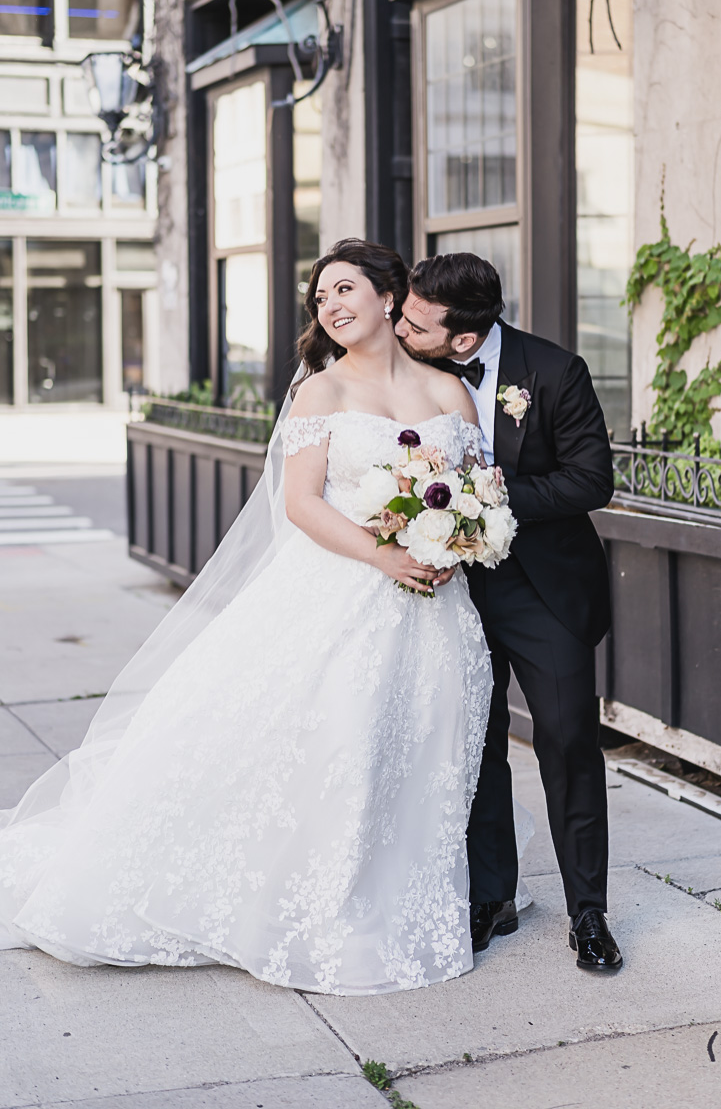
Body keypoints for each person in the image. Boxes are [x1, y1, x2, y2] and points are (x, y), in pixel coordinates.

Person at [0, 239, 495, 996]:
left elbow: (476, 491)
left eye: (343, 289)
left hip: (436, 607)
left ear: (390, 297)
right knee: (344, 743)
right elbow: (300, 505)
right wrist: (387, 556)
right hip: (347, 590)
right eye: (320, 298)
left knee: (422, 747)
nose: (329, 306)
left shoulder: (450, 394)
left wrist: (455, 544)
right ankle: (325, 905)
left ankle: (406, 892)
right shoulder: (320, 394)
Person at [396, 252, 621, 973]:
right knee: (475, 744)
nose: (401, 327)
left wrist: (481, 500)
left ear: (463, 339)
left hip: (542, 588)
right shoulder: (402, 373)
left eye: (416, 321)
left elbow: (591, 480)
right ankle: (490, 897)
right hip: (453, 586)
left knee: (566, 741)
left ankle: (589, 912)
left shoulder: (555, 371)